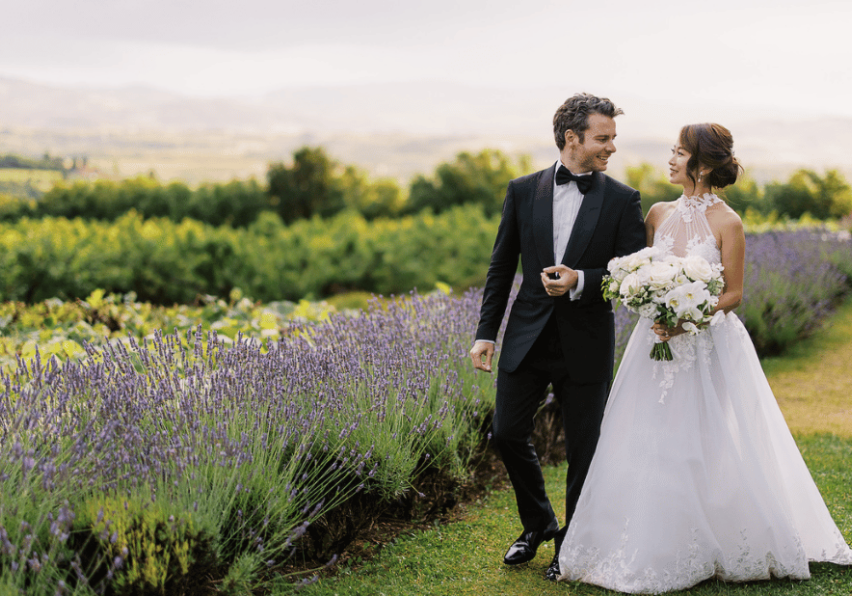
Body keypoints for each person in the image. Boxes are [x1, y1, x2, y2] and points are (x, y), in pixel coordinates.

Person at [552, 123, 852, 591]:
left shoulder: (728, 223)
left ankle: (717, 535)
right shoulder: (656, 213)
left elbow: (732, 294)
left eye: (678, 152)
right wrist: (649, 302)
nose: (670, 159)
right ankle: (634, 536)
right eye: (671, 151)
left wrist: (687, 317)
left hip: (707, 343)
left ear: (704, 165)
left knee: (709, 437)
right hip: (652, 343)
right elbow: (638, 269)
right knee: (642, 432)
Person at [469, 92, 646, 568]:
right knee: (506, 433)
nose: (611, 147)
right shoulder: (523, 189)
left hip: (586, 341)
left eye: (613, 138)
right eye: (602, 138)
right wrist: (486, 332)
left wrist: (582, 281)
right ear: (572, 138)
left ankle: (573, 545)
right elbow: (501, 266)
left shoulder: (624, 200)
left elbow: (632, 276)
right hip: (526, 337)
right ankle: (539, 523)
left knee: (583, 450)